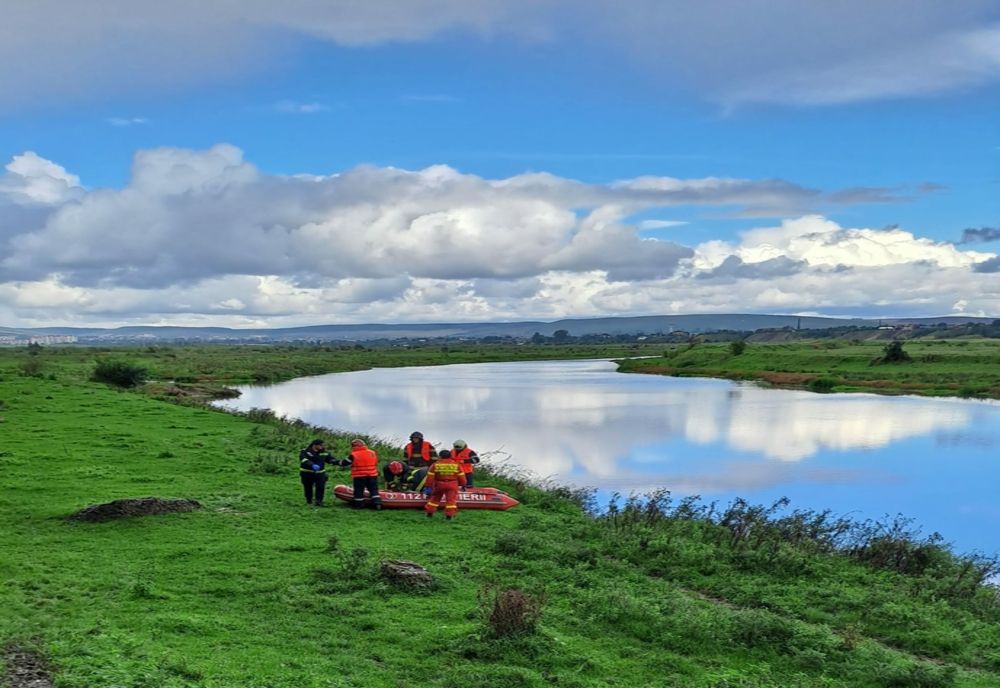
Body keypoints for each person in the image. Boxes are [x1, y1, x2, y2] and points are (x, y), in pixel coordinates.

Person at [424, 449, 467, 520]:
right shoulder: (456, 465)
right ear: (450, 456)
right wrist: (463, 484)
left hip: (439, 484)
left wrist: (428, 486)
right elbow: (461, 476)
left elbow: (430, 477)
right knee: (451, 501)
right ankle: (449, 516)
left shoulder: (435, 465)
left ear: (440, 456)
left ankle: (429, 513)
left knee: (434, 499)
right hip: (452, 484)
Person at [343, 439, 382, 510]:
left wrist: (337, 462)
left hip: (359, 476)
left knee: (359, 491)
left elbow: (345, 463)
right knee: (374, 490)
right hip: (372, 475)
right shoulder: (372, 452)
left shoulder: (353, 454)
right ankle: (377, 504)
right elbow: (376, 462)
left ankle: (359, 505)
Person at [298, 439, 338, 507]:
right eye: (321, 445)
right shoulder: (305, 451)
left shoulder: (324, 452)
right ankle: (309, 501)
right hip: (307, 473)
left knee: (320, 487)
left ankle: (319, 501)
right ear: (315, 445)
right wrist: (311, 464)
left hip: (320, 473)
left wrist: (338, 462)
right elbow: (303, 459)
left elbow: (330, 459)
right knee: (308, 487)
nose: (322, 447)